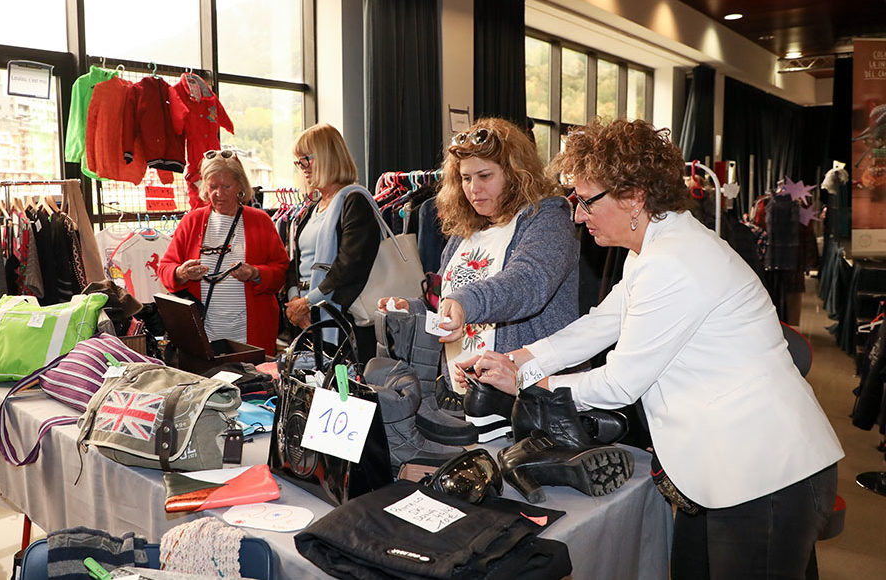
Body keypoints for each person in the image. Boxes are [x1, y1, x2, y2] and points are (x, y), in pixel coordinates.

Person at [468, 118, 844, 579]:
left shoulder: (675, 260)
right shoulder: (651, 248)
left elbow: (620, 383)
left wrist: (528, 383)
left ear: (634, 197)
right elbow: (599, 325)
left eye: (586, 201)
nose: (578, 216)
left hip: (766, 471)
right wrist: (513, 361)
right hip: (721, 468)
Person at [379, 117, 579, 393]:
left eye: (485, 176)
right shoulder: (465, 232)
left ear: (515, 174)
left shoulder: (548, 219)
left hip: (531, 396)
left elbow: (527, 282)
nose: (474, 188)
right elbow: (445, 299)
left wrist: (465, 303)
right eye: (466, 178)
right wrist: (414, 309)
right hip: (467, 395)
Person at [158, 150, 288, 356]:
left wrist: (255, 273)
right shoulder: (191, 221)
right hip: (203, 334)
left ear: (240, 186)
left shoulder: (261, 221)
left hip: (251, 334)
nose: (219, 194)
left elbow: (281, 271)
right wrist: (181, 273)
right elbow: (165, 269)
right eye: (213, 187)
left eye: (226, 186)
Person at [284, 123, 381, 361]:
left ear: (327, 156)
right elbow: (296, 262)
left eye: (305, 159)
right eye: (299, 162)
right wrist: (295, 301)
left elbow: (350, 266)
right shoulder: (312, 208)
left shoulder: (354, 202)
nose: (302, 168)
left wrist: (308, 302)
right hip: (311, 318)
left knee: (346, 382)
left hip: (343, 319)